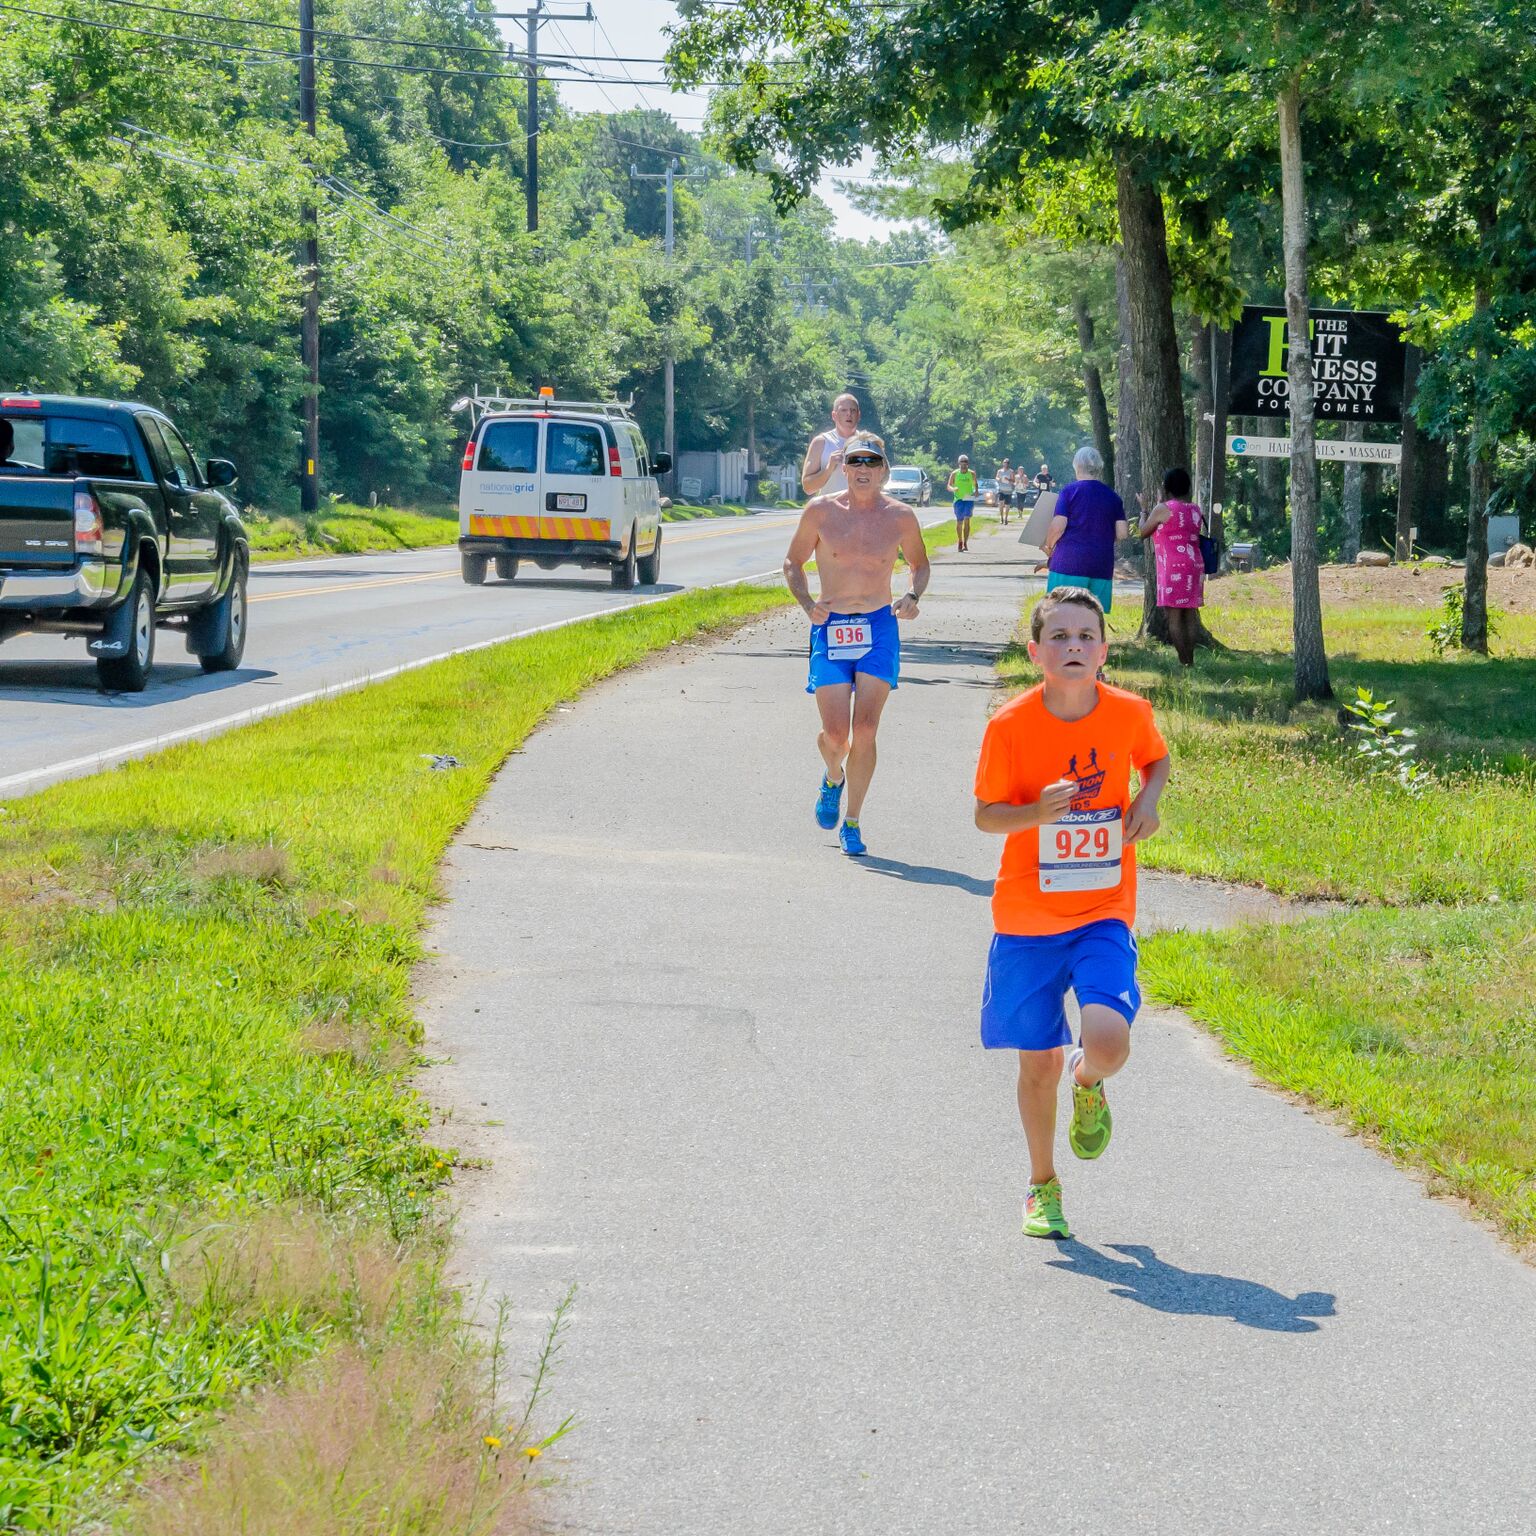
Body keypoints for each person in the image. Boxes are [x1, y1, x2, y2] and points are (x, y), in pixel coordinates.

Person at [973, 586, 1171, 1239]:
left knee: (1107, 1042)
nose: (1074, 647)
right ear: (1035, 653)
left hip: (1101, 910)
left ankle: (1091, 1082)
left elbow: (1157, 758)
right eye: (1058, 637)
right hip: (1027, 919)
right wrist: (1037, 812)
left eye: (1086, 636)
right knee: (1037, 1064)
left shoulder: (1129, 713)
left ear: (1105, 650)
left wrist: (1148, 798)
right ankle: (1041, 1185)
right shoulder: (1009, 726)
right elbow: (985, 815)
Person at [785, 432, 930, 857]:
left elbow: (919, 565)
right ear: (843, 469)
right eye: (856, 462)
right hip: (830, 626)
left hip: (878, 627)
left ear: (883, 470)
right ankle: (833, 777)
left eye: (872, 462)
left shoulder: (901, 517)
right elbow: (792, 561)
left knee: (865, 729)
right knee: (836, 735)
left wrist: (913, 597)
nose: (863, 470)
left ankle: (852, 821)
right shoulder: (820, 512)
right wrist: (807, 603)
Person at [1042, 445, 1128, 614]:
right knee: (1093, 617)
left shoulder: (1068, 491)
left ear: (1076, 466)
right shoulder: (1113, 496)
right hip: (1101, 564)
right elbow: (1122, 533)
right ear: (1099, 468)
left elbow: (1059, 525)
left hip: (1069, 562)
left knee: (1062, 612)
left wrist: (1049, 545)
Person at [1137, 467, 1206, 667]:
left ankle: (1184, 661)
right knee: (1190, 613)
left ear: (1166, 487)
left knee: (1174, 616)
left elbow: (1143, 532)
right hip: (1194, 564)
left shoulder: (1162, 509)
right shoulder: (1195, 509)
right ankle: (1191, 660)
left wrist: (1143, 509)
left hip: (1173, 566)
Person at [801, 392, 863, 498]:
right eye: (843, 410)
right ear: (834, 415)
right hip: (830, 511)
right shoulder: (821, 442)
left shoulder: (868, 443)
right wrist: (829, 468)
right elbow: (808, 487)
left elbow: (881, 480)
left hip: (861, 512)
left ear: (858, 415)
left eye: (853, 410)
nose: (849, 414)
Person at [947, 454, 978, 552]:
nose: (963, 464)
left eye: (965, 462)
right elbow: (948, 485)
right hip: (958, 499)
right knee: (959, 521)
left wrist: (976, 490)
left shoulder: (972, 473)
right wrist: (953, 489)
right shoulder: (955, 473)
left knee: (967, 519)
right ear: (959, 463)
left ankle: (965, 542)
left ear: (968, 464)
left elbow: (975, 483)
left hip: (968, 498)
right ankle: (960, 540)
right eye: (962, 462)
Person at [996, 458, 1015, 527]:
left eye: (1007, 463)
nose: (1005, 464)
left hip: (1008, 490)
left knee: (1007, 505)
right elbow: (996, 478)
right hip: (1001, 490)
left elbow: (1013, 481)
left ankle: (1006, 518)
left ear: (1008, 464)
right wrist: (999, 479)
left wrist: (1009, 479)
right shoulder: (1000, 471)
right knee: (1001, 504)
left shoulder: (1011, 471)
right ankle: (1001, 518)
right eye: (1004, 462)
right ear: (1003, 463)